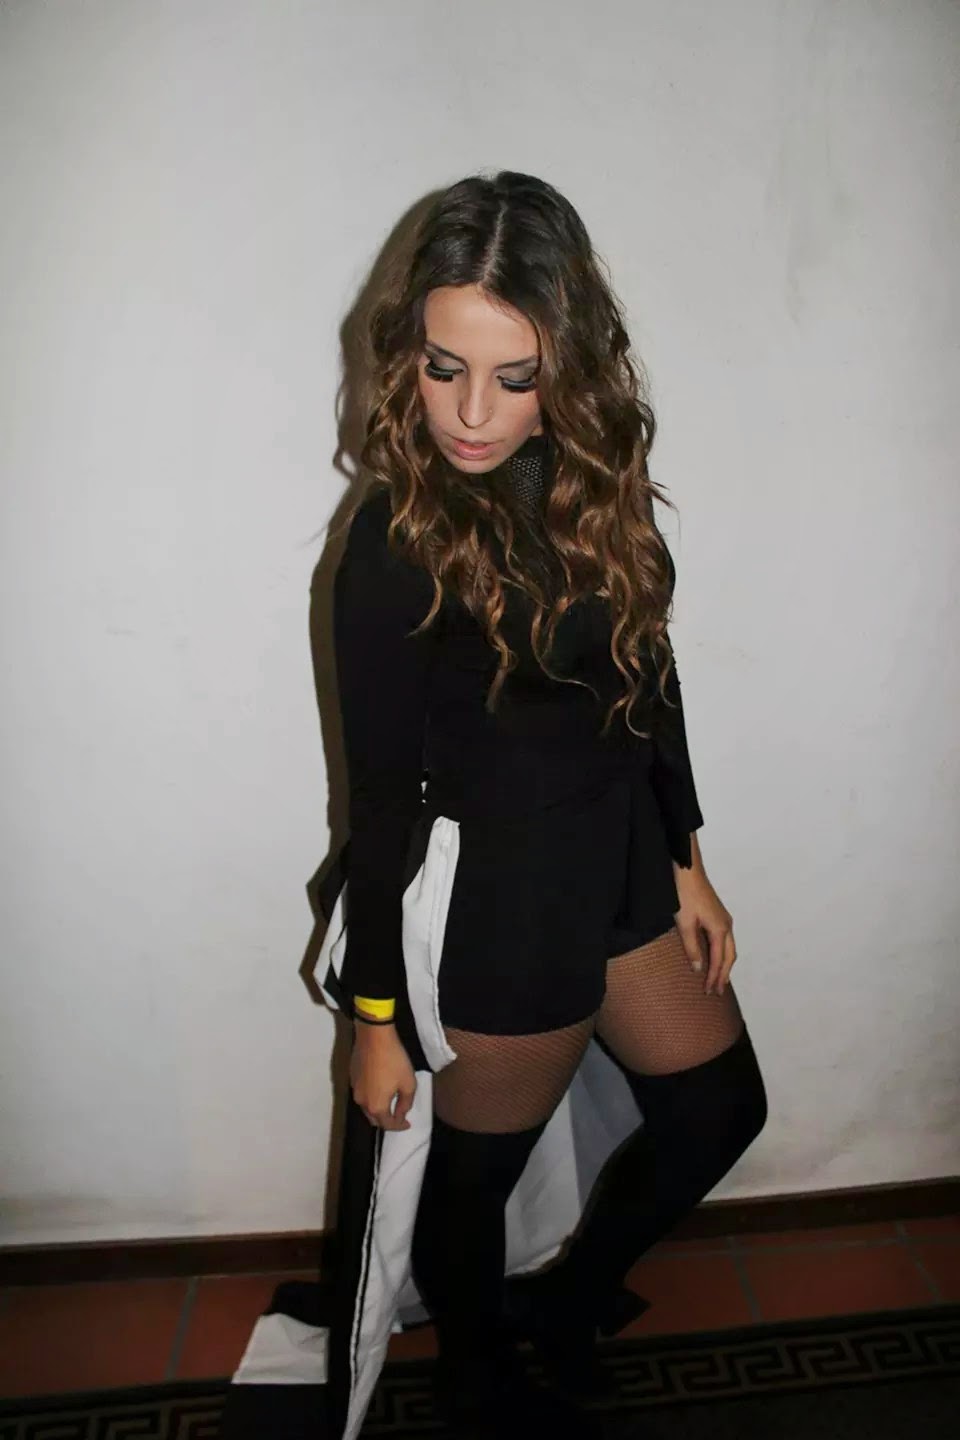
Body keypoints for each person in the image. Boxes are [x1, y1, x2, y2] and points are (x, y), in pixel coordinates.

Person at [325, 170, 767, 1440]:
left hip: (618, 855)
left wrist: (686, 858)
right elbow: (379, 803)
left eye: (513, 378)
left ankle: (569, 1303)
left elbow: (647, 671)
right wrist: (375, 1017)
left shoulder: (590, 477)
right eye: (443, 367)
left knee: (720, 1110)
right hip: (499, 900)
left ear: (564, 369)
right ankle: (474, 1371)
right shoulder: (391, 541)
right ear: (406, 350)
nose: (472, 413)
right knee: (474, 1181)